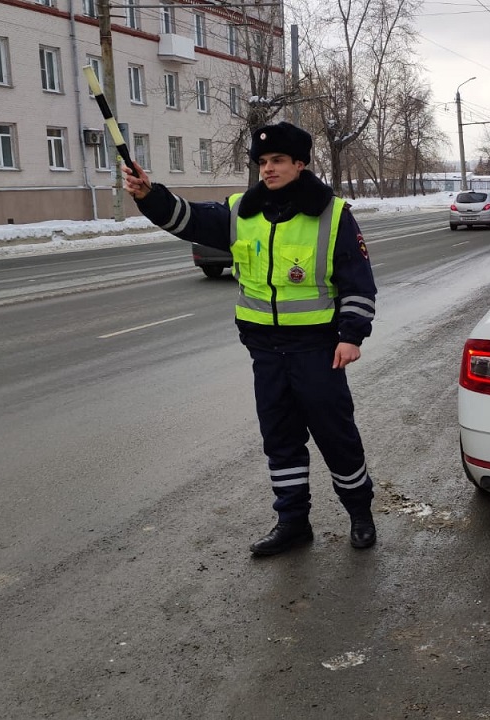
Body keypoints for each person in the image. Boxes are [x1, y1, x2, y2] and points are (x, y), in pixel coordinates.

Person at [121, 121, 378, 557]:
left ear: (300, 163)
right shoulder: (243, 210)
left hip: (318, 351)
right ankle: (293, 522)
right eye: (262, 162)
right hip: (266, 352)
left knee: (337, 437)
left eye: (277, 160)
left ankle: (360, 513)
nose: (268, 169)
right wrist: (150, 195)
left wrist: (351, 336)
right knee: (279, 440)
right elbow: (189, 219)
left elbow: (359, 284)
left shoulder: (333, 215)